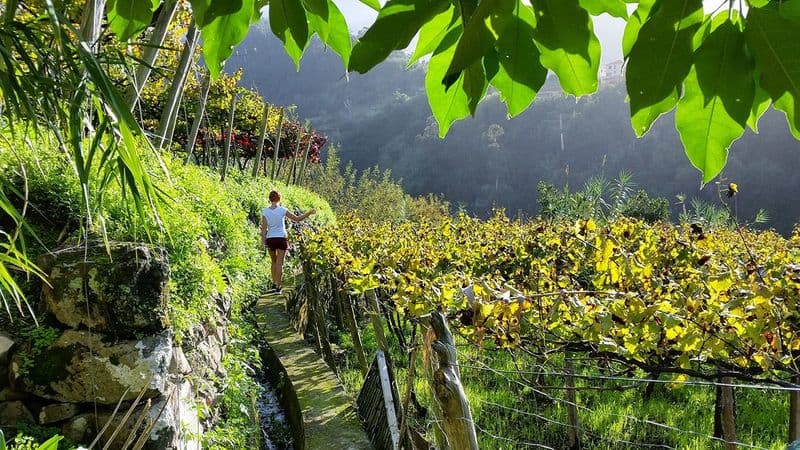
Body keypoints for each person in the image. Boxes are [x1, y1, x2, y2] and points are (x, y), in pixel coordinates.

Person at [261, 190, 316, 293]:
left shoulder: (265, 212)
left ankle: (274, 283)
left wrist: (263, 242)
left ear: (270, 199)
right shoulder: (282, 210)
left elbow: (264, 228)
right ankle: (278, 286)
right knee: (279, 263)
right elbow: (297, 219)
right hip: (281, 238)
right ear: (279, 199)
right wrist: (309, 212)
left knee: (273, 262)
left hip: (270, 239)